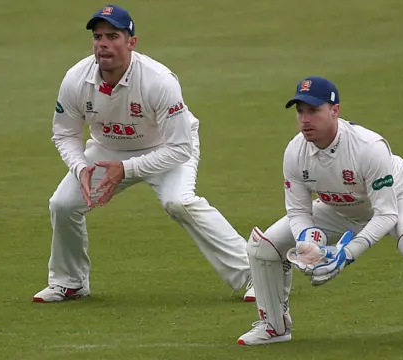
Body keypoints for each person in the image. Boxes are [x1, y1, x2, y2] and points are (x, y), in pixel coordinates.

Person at [33, 4, 255, 303]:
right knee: (62, 203)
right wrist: (79, 167)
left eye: (113, 36)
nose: (103, 44)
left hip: (166, 147)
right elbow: (65, 133)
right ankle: (69, 282)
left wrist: (127, 169)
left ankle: (255, 274)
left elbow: (180, 148)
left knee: (178, 202)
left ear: (131, 42)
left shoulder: (158, 80)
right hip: (108, 148)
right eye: (98, 36)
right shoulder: (76, 78)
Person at [236, 76, 403, 345]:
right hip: (339, 206)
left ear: (335, 110)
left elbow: (387, 214)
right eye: (300, 112)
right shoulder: (295, 151)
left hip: (397, 199)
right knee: (263, 248)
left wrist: (347, 253)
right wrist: (308, 241)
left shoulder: (369, 148)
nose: (305, 119)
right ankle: (274, 327)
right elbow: (298, 211)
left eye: (313, 111)